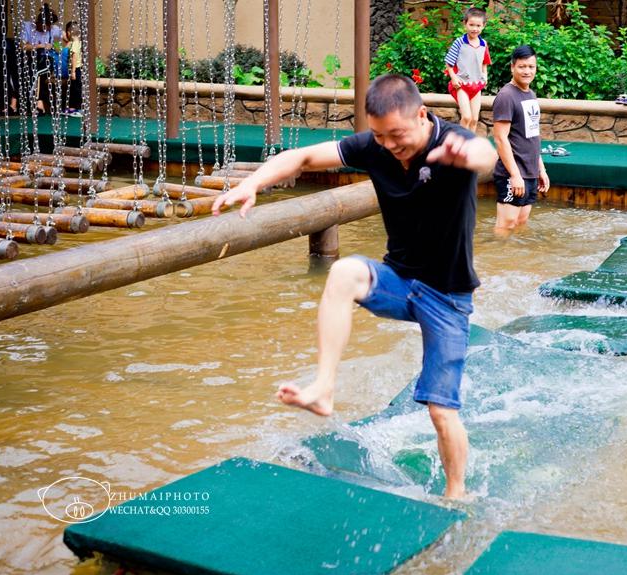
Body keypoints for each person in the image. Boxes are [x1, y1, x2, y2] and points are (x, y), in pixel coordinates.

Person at [211, 75, 498, 500]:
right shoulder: (376, 146)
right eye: (379, 136)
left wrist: (471, 151)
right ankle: (323, 388)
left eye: (397, 135)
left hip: (447, 295)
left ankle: (457, 495)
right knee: (344, 272)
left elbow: (485, 157)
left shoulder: (451, 142)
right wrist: (253, 182)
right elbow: (304, 156)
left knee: (441, 410)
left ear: (421, 115)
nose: (389, 145)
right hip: (399, 281)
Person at [492, 45, 548, 234]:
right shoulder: (506, 96)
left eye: (531, 67)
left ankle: (514, 262)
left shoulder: (530, 94)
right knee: (506, 225)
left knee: (520, 223)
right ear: (512, 67)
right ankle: (494, 262)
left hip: (530, 171)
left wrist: (541, 169)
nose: (527, 71)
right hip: (513, 173)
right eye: (522, 67)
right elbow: (500, 138)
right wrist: (515, 175)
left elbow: (533, 135)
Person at [444, 6, 491, 133]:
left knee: (475, 119)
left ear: (483, 26)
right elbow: (449, 63)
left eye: (478, 25)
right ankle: (461, 143)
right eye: (471, 25)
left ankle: (471, 145)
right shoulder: (459, 42)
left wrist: (485, 75)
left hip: (476, 84)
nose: (474, 29)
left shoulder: (483, 44)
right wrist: (453, 78)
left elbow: (484, 62)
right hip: (461, 84)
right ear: (465, 24)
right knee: (467, 117)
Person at [19, 4, 61, 115]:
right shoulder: (27, 26)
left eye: (48, 26)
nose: (46, 29)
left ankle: (34, 102)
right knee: (29, 72)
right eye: (44, 26)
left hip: (47, 60)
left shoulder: (54, 30)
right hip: (30, 58)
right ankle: (38, 102)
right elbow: (22, 46)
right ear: (38, 22)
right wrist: (39, 46)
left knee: (38, 73)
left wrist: (53, 46)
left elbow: (61, 46)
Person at [63, 21, 83, 117]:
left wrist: (73, 71)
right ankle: (72, 108)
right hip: (77, 68)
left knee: (76, 89)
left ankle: (78, 109)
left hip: (77, 69)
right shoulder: (78, 42)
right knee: (73, 88)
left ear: (69, 32)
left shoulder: (75, 42)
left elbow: (74, 57)